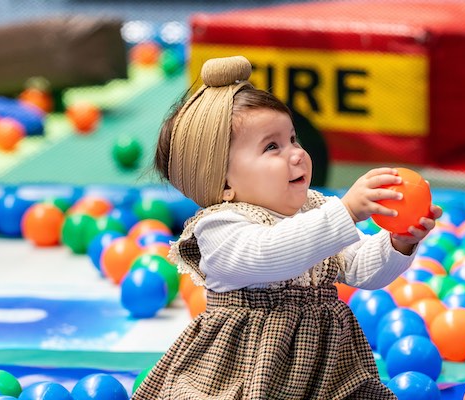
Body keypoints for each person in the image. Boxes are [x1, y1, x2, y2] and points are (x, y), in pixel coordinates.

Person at [133, 55, 442, 400]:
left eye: (293, 138)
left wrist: (397, 242)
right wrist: (347, 211)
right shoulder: (219, 227)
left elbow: (361, 270)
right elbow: (271, 253)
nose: (296, 154)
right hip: (247, 374)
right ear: (222, 184)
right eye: (272, 147)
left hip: (327, 374)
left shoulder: (316, 208)